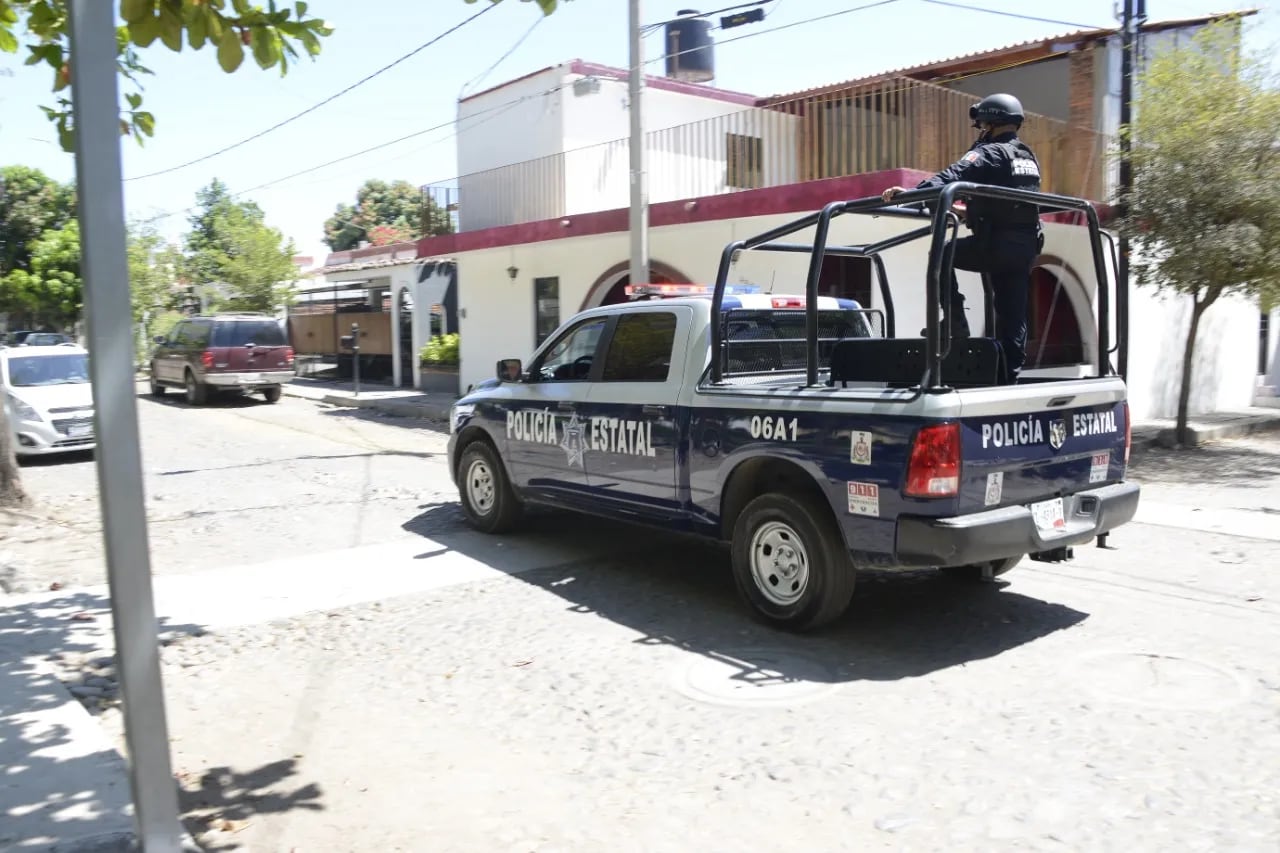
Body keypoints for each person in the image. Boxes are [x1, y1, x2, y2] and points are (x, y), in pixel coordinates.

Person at [881, 92, 1043, 379]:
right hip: (1024, 248)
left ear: (991, 123)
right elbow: (1009, 207)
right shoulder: (1027, 157)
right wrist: (967, 212)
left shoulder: (990, 152)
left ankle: (955, 323)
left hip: (997, 245)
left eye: (982, 125)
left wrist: (914, 194)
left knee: (942, 253)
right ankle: (1009, 377)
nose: (981, 131)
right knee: (1012, 316)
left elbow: (952, 174)